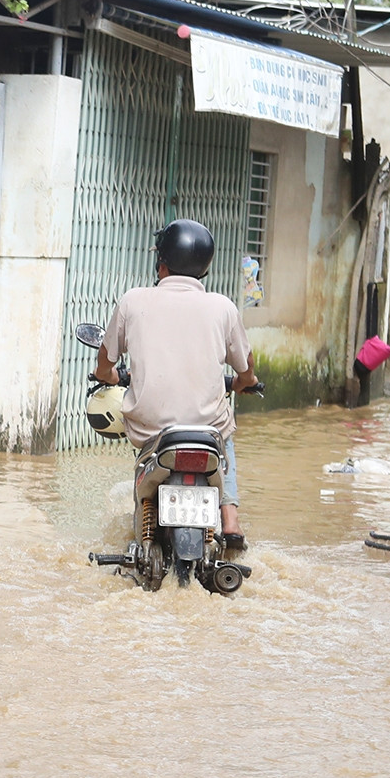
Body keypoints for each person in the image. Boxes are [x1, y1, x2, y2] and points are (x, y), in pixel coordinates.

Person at [93, 218, 259, 546]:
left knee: (144, 448)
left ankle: (145, 515)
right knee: (225, 433)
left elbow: (106, 360)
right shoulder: (223, 307)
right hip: (206, 431)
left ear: (162, 265)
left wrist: (106, 376)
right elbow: (246, 365)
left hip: (152, 430)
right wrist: (245, 381)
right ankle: (231, 521)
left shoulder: (132, 301)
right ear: (204, 268)